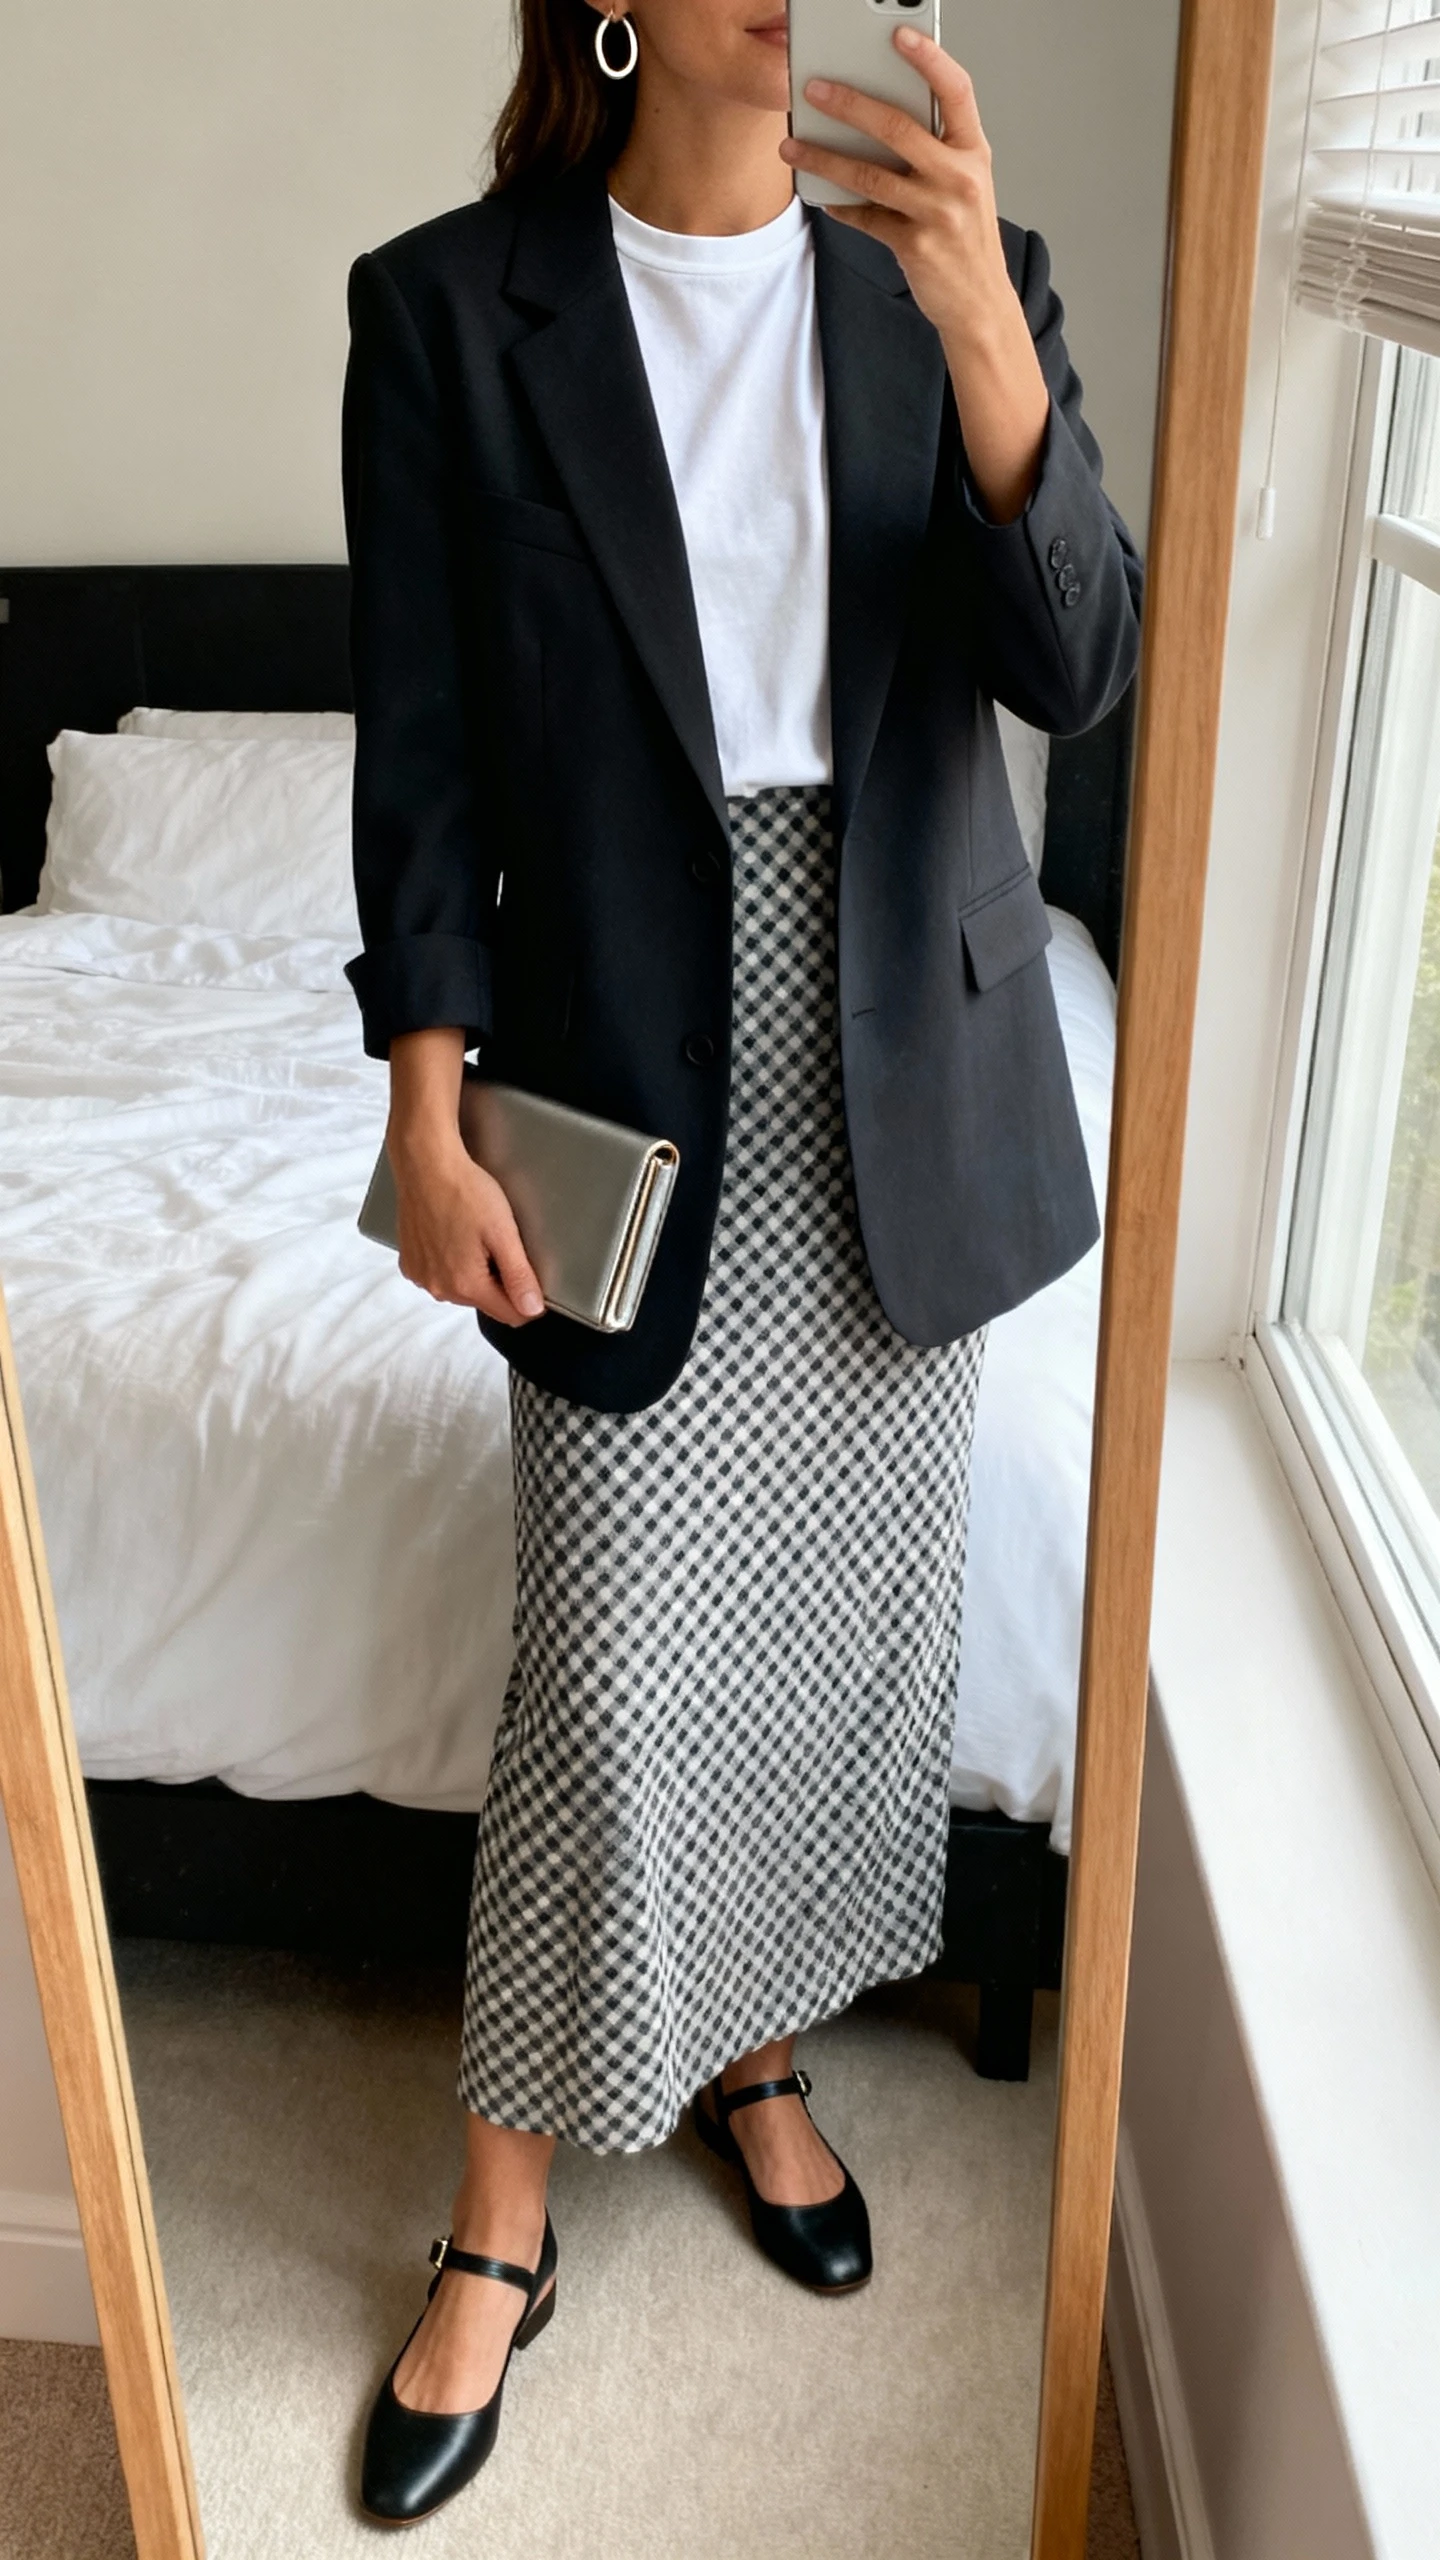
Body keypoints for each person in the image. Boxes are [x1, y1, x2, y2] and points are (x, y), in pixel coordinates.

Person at [343, 0, 1140, 2526]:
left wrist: (1002, 355)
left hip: (901, 1062)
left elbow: (1081, 660)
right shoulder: (454, 310)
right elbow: (427, 745)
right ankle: (503, 2220)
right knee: (607, 1670)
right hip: (622, 1067)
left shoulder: (954, 279)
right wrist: (422, 1096)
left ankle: (758, 2054)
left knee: (828, 1634)